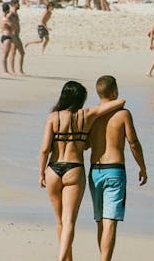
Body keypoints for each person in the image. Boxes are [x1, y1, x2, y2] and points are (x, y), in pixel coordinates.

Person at [38, 81, 126, 261]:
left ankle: (66, 258)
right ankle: (62, 258)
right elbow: (119, 102)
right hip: (74, 169)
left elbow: (45, 149)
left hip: (53, 169)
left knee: (60, 221)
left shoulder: (53, 117)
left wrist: (41, 173)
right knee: (69, 220)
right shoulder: (87, 115)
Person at [88, 75, 147, 261]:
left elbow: (85, 144)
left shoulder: (91, 114)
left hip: (94, 171)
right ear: (114, 92)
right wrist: (142, 167)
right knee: (110, 222)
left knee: (100, 221)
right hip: (114, 171)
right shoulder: (123, 114)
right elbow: (134, 143)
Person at [8, 0, 26, 75]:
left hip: (16, 35)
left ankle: (16, 70)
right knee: (21, 52)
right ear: (14, 4)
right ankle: (17, 70)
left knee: (14, 52)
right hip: (14, 35)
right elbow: (6, 19)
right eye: (17, 4)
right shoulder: (11, 13)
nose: (19, 5)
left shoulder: (15, 13)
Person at [0, 3, 14, 75]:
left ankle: (6, 70)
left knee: (5, 54)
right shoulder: (6, 19)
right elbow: (13, 27)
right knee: (5, 55)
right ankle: (4, 71)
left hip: (4, 35)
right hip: (7, 36)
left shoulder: (1, 18)